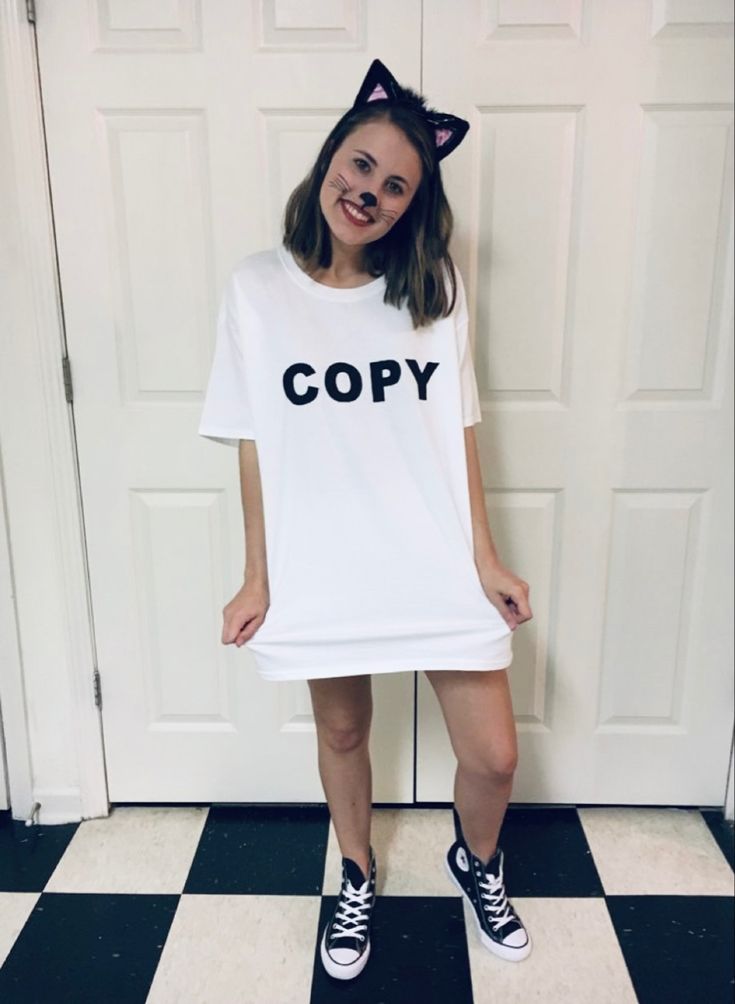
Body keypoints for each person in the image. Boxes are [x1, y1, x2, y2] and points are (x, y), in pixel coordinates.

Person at [198, 58, 534, 982]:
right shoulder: (256, 290)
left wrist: (485, 558)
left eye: (394, 186)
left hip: (429, 556)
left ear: (411, 206)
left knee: (494, 757)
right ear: (327, 160)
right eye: (359, 166)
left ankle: (478, 860)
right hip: (323, 559)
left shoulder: (431, 285)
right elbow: (249, 438)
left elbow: (455, 426)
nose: (370, 193)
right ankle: (356, 869)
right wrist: (257, 575)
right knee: (344, 733)